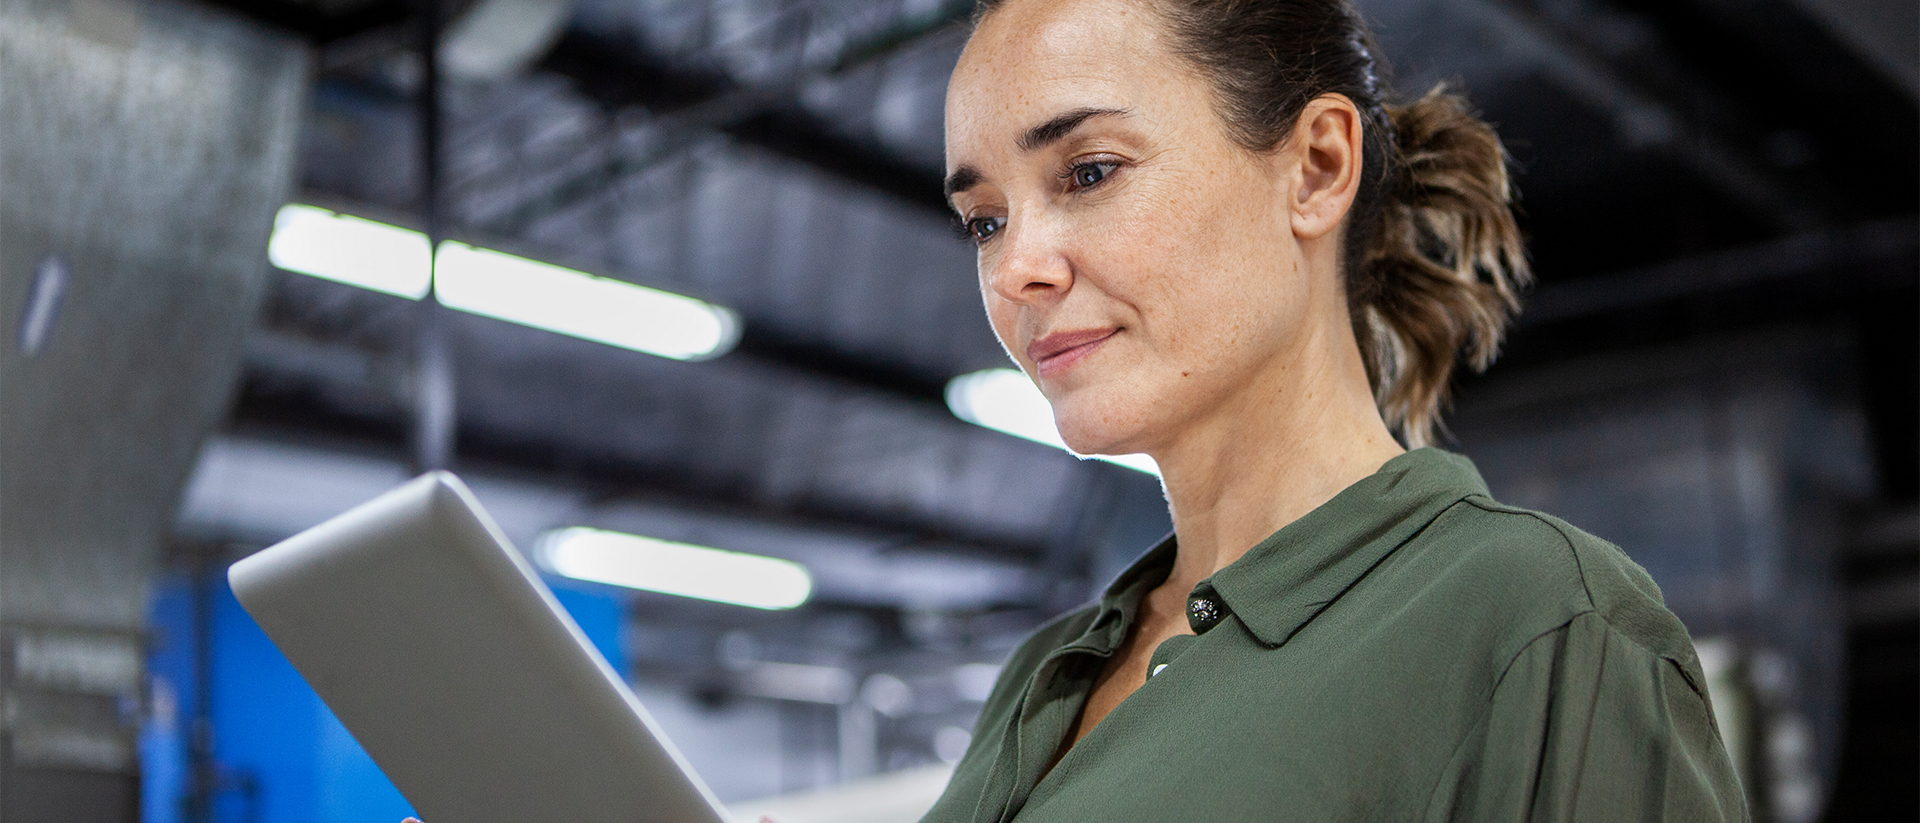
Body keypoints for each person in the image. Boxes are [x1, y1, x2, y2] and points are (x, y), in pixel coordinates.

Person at [926, 0, 1748, 819]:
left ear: (1317, 167)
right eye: (986, 221)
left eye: (1091, 170)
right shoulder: (1037, 677)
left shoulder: (1542, 626)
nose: (1013, 269)